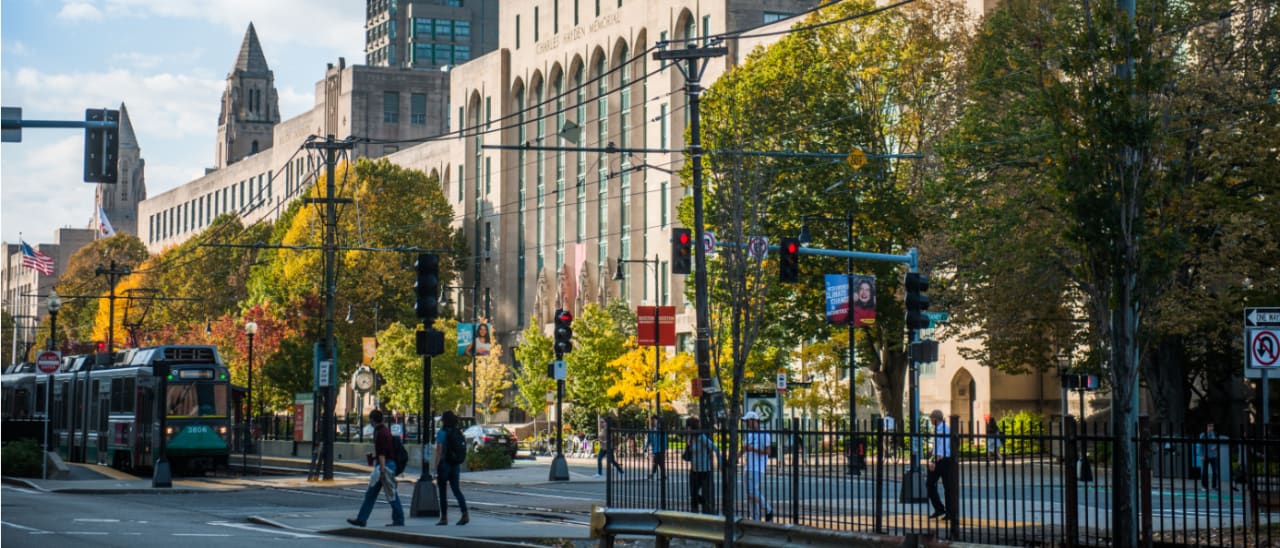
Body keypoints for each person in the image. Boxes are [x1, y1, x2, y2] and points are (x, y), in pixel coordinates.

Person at [347, 409, 405, 527]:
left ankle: (398, 520)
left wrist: (382, 470)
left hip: (385, 466)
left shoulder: (380, 433)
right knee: (378, 493)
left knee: (389, 493)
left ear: (372, 420)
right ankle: (362, 518)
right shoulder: (385, 431)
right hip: (387, 464)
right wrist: (376, 458)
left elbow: (382, 454)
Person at [433, 410, 470, 525]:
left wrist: (435, 467)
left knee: (443, 492)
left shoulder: (441, 433)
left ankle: (444, 518)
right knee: (456, 490)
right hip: (455, 464)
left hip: (444, 464)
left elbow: (439, 451)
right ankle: (465, 513)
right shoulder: (457, 432)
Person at [740, 411, 774, 522]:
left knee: (751, 491)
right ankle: (755, 518)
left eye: (748, 421)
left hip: (757, 467)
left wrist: (753, 449)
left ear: (754, 420)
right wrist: (737, 456)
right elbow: (744, 447)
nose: (747, 424)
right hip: (748, 466)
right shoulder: (749, 434)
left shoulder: (764, 434)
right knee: (750, 495)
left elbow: (768, 451)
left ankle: (768, 509)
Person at [686, 417, 720, 514]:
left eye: (688, 427)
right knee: (693, 493)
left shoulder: (701, 437)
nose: (686, 429)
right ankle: (695, 512)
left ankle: (707, 507)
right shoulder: (689, 437)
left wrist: (720, 461)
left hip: (704, 470)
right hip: (694, 469)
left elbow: (714, 447)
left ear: (691, 427)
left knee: (701, 493)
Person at [927, 409, 954, 520]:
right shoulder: (940, 428)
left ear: (935, 419)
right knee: (938, 485)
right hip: (942, 460)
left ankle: (945, 511)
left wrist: (933, 461)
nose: (931, 421)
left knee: (939, 485)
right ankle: (942, 510)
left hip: (943, 461)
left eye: (931, 419)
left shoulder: (943, 429)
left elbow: (942, 448)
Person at [1199, 422, 1221, 491]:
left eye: (1212, 426)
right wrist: (1202, 455)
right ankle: (1204, 486)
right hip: (1205, 455)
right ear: (1206, 427)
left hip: (1213, 455)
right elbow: (1200, 446)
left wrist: (1215, 447)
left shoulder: (1215, 434)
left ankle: (1214, 486)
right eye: (1209, 426)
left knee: (1215, 471)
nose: (1211, 427)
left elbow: (1218, 443)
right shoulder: (1203, 435)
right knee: (1204, 471)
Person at [646, 416, 668, 480]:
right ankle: (662, 475)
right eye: (653, 420)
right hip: (656, 449)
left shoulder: (661, 429)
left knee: (657, 462)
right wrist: (646, 447)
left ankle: (653, 474)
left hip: (661, 449)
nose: (653, 422)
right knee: (658, 463)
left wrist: (665, 447)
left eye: (654, 420)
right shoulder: (652, 430)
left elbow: (665, 438)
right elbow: (649, 439)